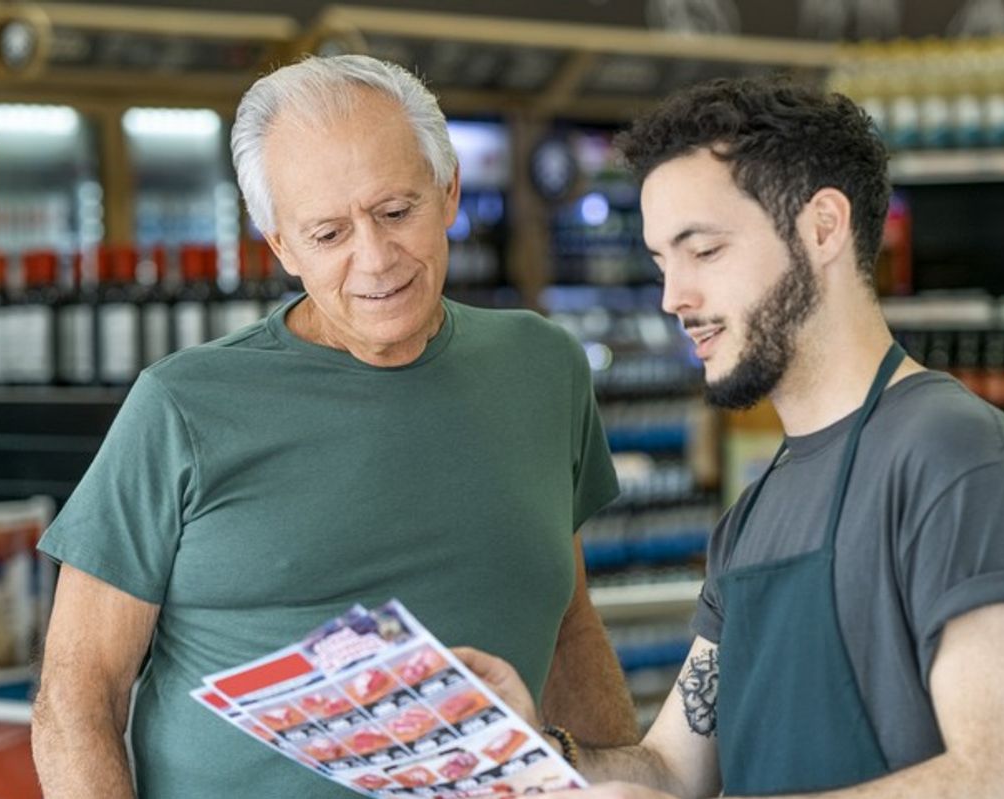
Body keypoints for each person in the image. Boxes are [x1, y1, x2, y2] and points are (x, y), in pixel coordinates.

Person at [457, 78, 1004, 799]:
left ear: (822, 227)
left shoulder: (956, 458)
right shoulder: (755, 514)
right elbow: (673, 770)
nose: (673, 298)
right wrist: (529, 747)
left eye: (704, 250)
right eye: (663, 263)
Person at [31, 55, 638, 799]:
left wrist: (627, 779)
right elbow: (78, 694)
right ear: (281, 246)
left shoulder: (542, 367)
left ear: (448, 190)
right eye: (328, 234)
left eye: (397, 211)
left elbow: (571, 625)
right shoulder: (180, 406)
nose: (375, 259)